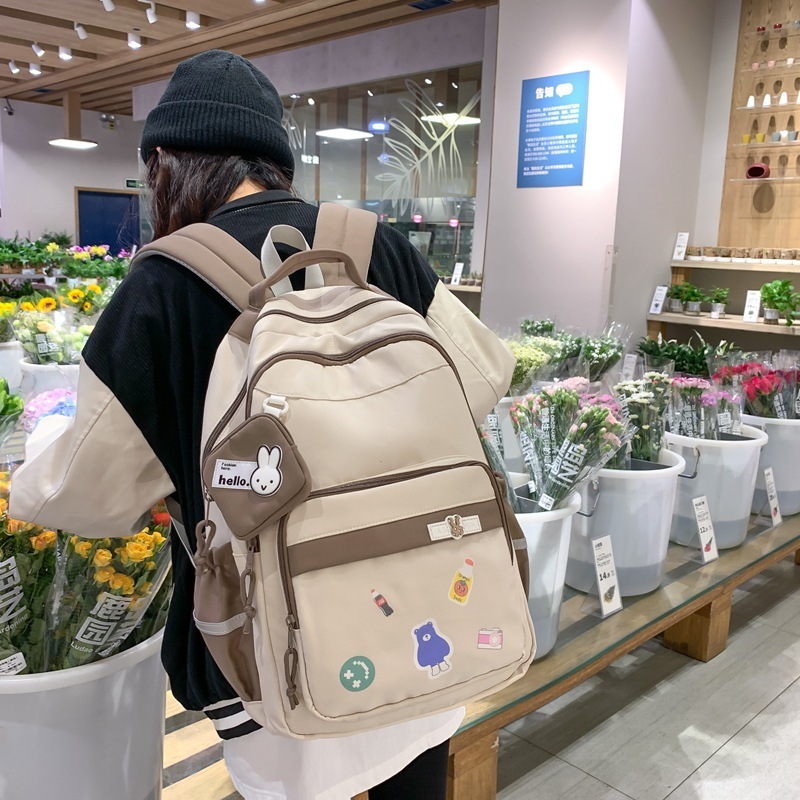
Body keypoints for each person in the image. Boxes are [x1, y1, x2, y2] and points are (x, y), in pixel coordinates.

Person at [10, 50, 510, 800]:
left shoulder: (162, 285)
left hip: (273, 652)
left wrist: (37, 456)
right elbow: (486, 375)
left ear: (163, 163)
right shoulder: (375, 245)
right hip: (421, 608)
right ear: (276, 160)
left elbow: (83, 493)